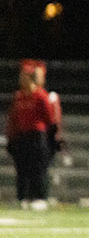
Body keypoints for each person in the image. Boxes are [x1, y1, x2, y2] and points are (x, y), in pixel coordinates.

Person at [6, 60, 57, 210]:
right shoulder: (19, 96)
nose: (21, 79)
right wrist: (12, 136)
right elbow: (13, 118)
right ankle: (23, 197)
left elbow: (49, 118)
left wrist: (50, 138)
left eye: (25, 76)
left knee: (37, 168)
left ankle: (39, 197)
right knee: (22, 168)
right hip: (22, 136)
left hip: (37, 136)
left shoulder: (40, 95)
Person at [33, 60, 64, 159]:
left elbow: (54, 120)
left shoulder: (50, 97)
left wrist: (56, 137)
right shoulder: (21, 96)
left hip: (44, 139)